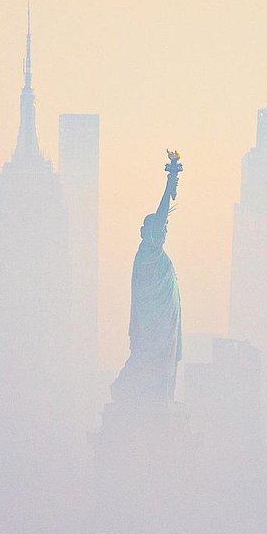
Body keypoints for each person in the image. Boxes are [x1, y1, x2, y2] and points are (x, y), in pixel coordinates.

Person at [111, 154, 182, 403]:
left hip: (162, 320)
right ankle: (127, 389)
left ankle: (156, 395)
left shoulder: (153, 255)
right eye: (160, 228)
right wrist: (170, 182)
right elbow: (161, 216)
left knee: (159, 358)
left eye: (164, 229)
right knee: (149, 355)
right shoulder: (148, 252)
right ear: (146, 232)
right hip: (153, 321)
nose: (163, 231)